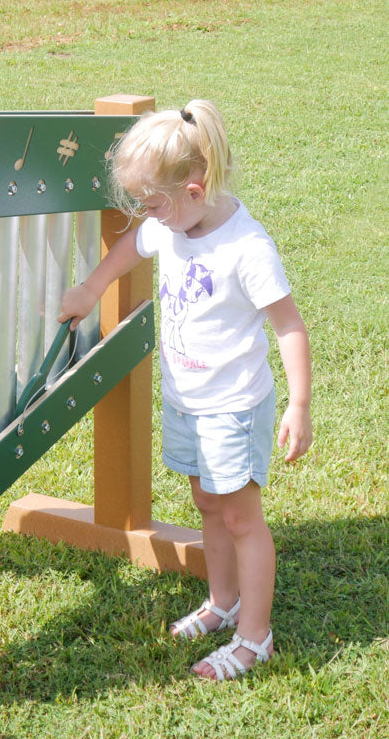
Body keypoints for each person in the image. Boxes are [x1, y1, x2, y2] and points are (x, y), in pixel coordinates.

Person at [59, 100, 313, 680]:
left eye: (152, 204)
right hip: (186, 400)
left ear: (195, 190)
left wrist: (298, 405)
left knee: (242, 518)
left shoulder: (246, 248)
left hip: (231, 408)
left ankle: (255, 637)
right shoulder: (170, 226)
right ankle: (223, 603)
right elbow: (131, 248)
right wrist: (90, 289)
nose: (146, 217)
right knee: (206, 503)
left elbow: (289, 325)